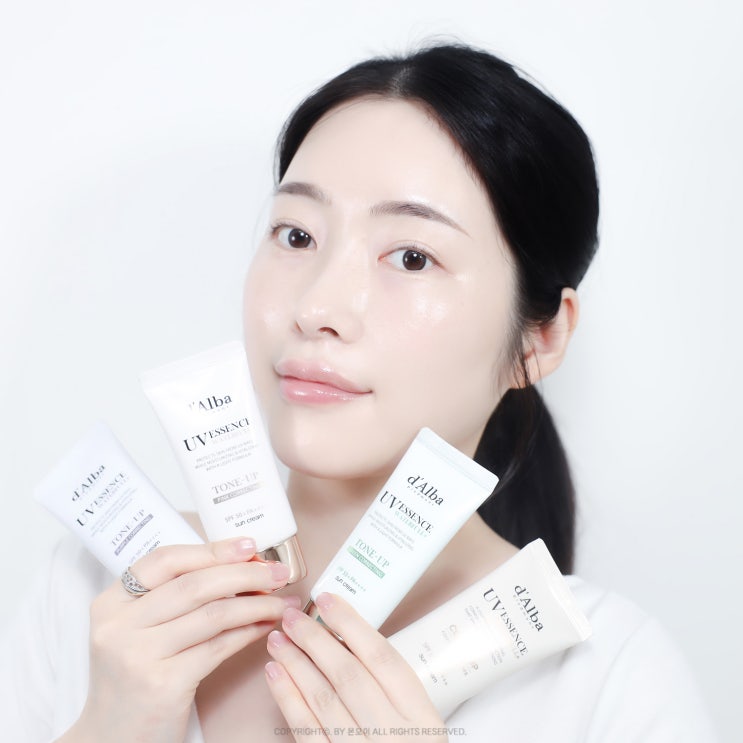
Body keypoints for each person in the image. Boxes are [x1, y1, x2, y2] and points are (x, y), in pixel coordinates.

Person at [1, 43, 717, 742]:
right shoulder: (97, 592)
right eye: (296, 235)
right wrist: (108, 729)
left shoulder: (610, 679)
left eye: (412, 256)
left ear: (540, 340)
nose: (317, 306)